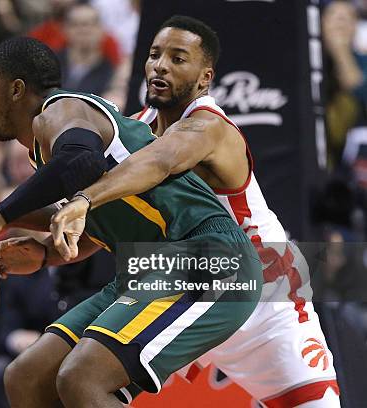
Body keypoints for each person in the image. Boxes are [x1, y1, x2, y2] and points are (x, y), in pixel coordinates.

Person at [0, 36, 263, 407]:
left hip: (207, 254)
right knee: (26, 377)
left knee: (82, 377)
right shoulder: (47, 148)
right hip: (144, 266)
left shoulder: (62, 110)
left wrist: (1, 214)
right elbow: (96, 215)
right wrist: (40, 249)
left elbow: (81, 161)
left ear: (16, 89)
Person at [40, 16, 341, 407]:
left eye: (178, 58)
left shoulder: (210, 128)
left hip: (264, 298)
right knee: (80, 384)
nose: (160, 65)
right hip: (181, 285)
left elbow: (159, 162)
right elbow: (110, 220)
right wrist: (45, 247)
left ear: (205, 77)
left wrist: (83, 199)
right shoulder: (136, 127)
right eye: (153, 55)